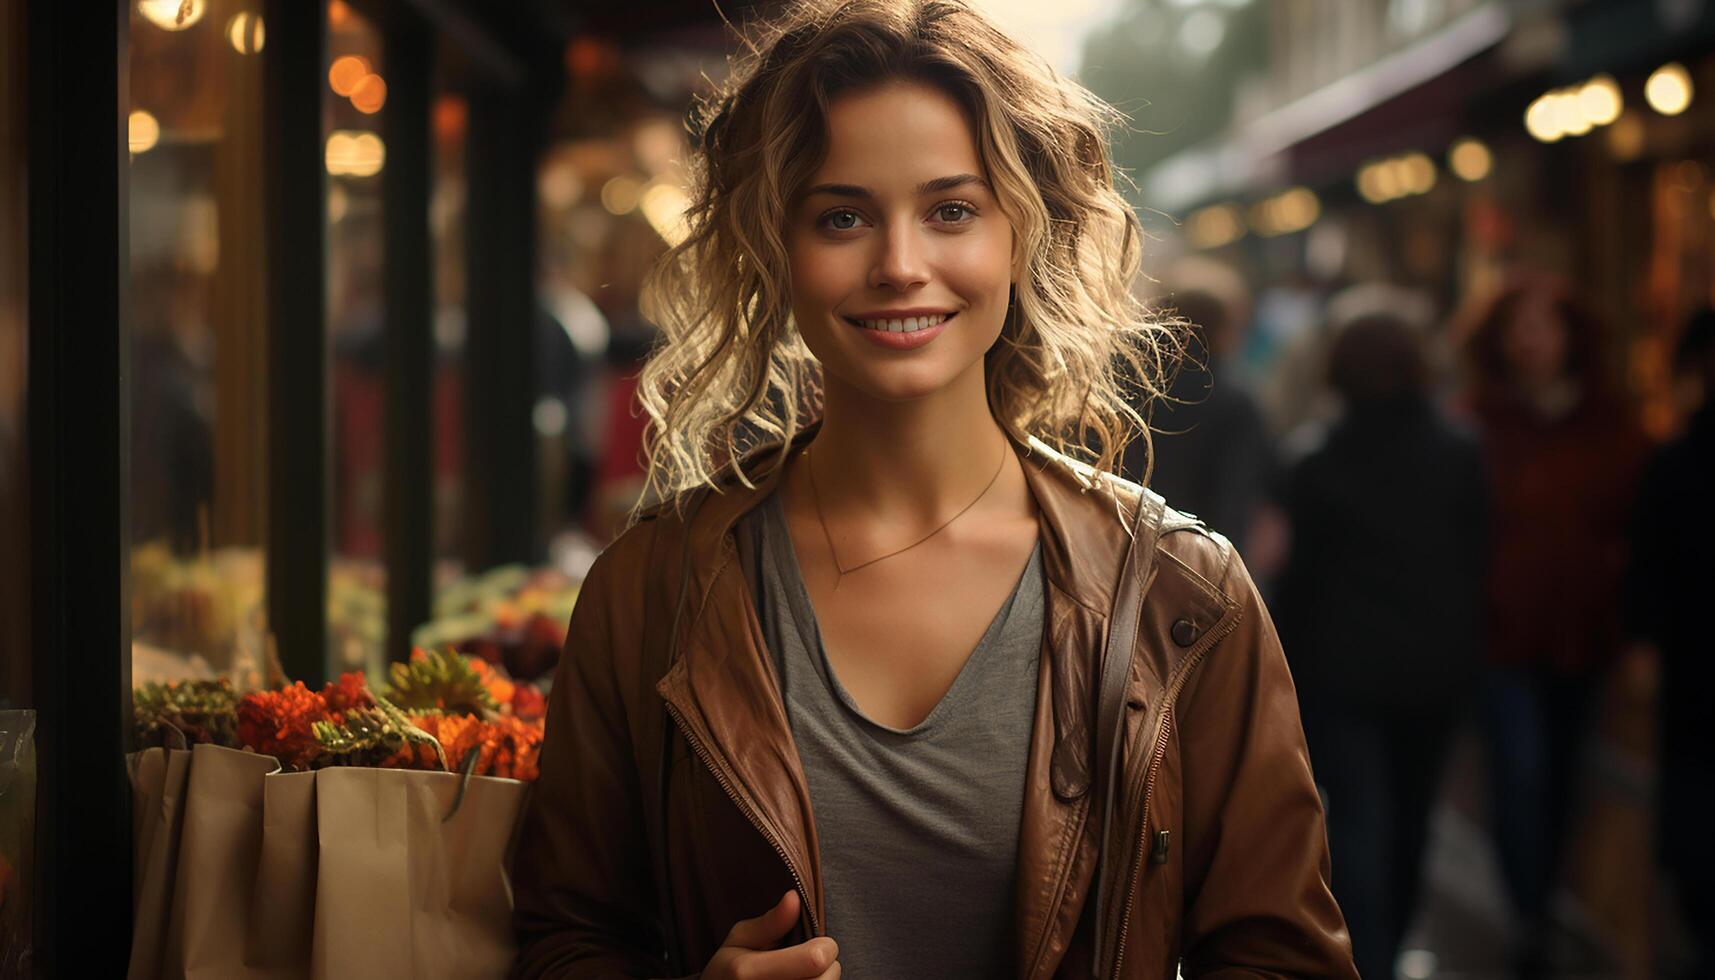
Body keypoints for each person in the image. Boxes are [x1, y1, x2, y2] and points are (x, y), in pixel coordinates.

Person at [509, 3, 1356, 978]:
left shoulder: (1178, 595)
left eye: (950, 209)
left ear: (1022, 235)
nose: (899, 264)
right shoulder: (647, 589)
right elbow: (560, 937)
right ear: (773, 247)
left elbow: (1284, 958)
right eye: (841, 216)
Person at [1275, 306, 1488, 980]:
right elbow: (1478, 558)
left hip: (1341, 674)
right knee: (1412, 820)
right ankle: (1392, 943)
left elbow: (1298, 582)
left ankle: (1363, 957)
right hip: (1434, 668)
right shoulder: (1459, 451)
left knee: (1357, 821)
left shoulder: (1314, 459)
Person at [1459, 277, 1646, 977]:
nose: (1529, 340)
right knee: (1518, 769)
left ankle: (1547, 898)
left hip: (1585, 632)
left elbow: (1632, 528)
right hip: (1501, 634)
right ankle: (1527, 912)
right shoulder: (1476, 423)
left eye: (1543, 325)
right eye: (1517, 325)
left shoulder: (1612, 427)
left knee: (1567, 775)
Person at [1624, 309, 1715, 979]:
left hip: (1689, 656)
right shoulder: (1675, 461)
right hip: (1692, 653)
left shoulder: (1676, 459)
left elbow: (1647, 564)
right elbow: (1649, 561)